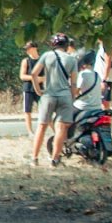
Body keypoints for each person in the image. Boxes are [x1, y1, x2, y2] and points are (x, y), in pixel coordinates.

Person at [28, 33, 79, 166]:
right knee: (61, 128)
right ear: (67, 45)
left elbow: (33, 73)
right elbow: (73, 83)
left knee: (42, 126)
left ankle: (34, 158)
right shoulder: (72, 60)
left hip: (48, 95)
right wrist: (72, 98)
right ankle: (55, 159)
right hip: (65, 96)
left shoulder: (46, 55)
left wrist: (38, 91)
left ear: (53, 44)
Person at [19, 41, 41, 135]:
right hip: (28, 88)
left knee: (45, 110)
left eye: (28, 48)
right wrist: (35, 78)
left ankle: (54, 131)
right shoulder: (26, 61)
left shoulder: (42, 60)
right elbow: (22, 76)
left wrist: (43, 79)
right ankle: (30, 132)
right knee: (27, 111)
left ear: (34, 48)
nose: (27, 50)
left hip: (41, 89)